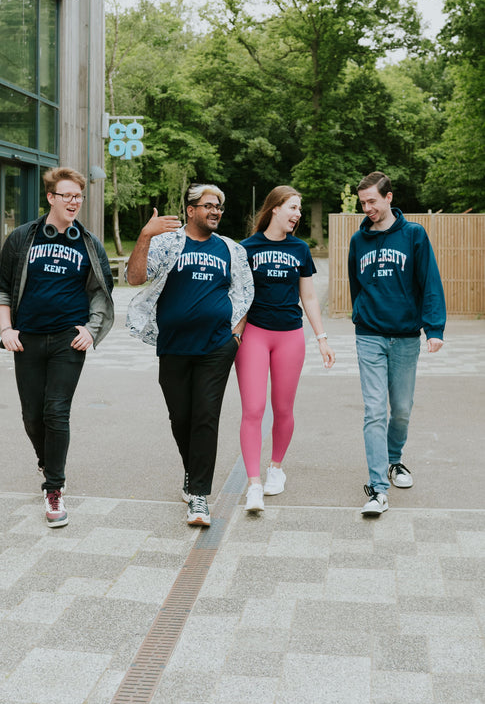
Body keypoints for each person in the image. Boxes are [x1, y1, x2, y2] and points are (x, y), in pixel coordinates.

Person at [0, 167, 114, 529]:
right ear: (51, 198)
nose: (74, 202)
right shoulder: (22, 238)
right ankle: (48, 462)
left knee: (56, 411)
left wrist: (91, 330)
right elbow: (1, 289)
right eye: (67, 196)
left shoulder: (87, 243)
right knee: (32, 415)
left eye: (78, 196)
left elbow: (101, 291)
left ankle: (54, 488)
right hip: (26, 339)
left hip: (66, 340)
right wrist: (6, 329)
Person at [126, 183, 254, 527]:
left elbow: (244, 291)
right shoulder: (167, 242)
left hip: (216, 346)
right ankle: (191, 472)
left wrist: (236, 334)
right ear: (191, 210)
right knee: (180, 417)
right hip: (174, 346)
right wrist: (145, 236)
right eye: (209, 205)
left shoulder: (230, 248)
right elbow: (135, 277)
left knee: (205, 417)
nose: (215, 211)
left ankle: (199, 496)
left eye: (219, 207)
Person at [348, 171, 446, 517]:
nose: (367, 207)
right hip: (369, 336)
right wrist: (362, 312)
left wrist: (434, 328)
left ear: (389, 198)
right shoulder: (358, 241)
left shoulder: (414, 235)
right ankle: (378, 488)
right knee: (375, 410)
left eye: (372, 200)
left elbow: (429, 281)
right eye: (363, 202)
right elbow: (355, 285)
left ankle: (394, 460)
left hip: (405, 337)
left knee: (401, 409)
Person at [235, 186, 335, 513]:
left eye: (300, 210)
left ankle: (275, 468)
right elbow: (239, 298)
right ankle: (253, 485)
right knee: (253, 408)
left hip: (290, 336)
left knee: (283, 408)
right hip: (255, 335)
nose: (298, 215)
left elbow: (308, 298)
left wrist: (321, 338)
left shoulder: (300, 249)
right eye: (293, 207)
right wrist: (233, 336)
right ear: (275, 208)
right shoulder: (246, 249)